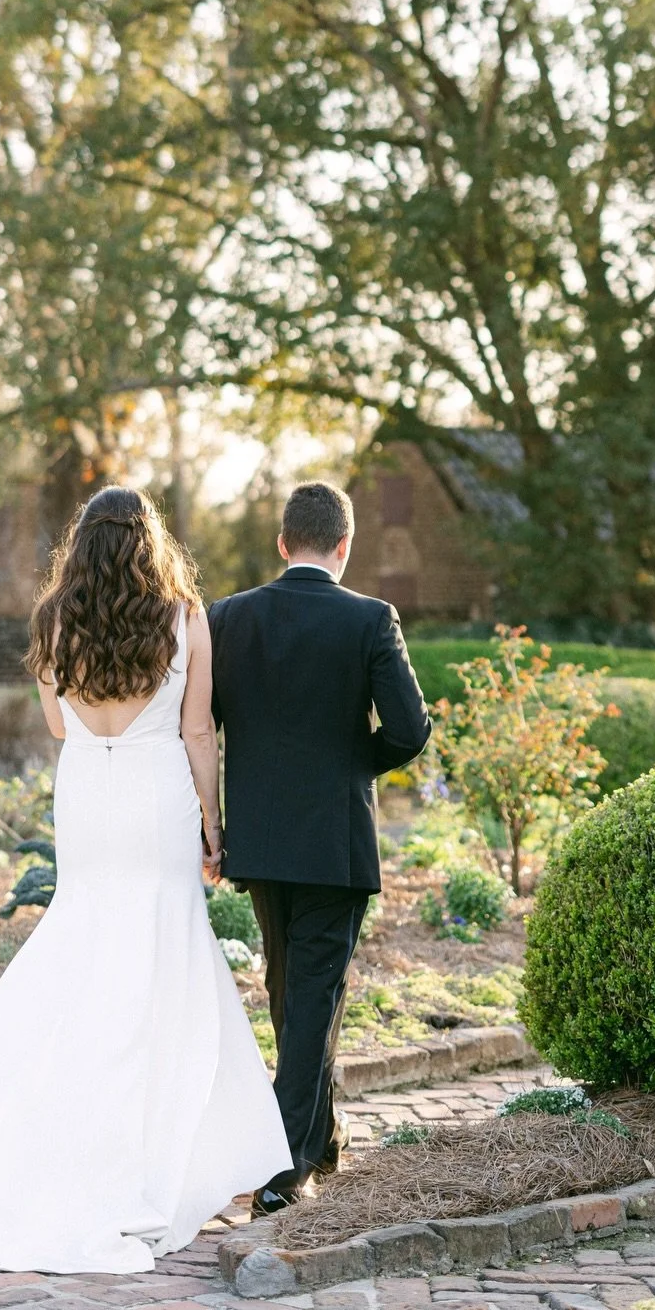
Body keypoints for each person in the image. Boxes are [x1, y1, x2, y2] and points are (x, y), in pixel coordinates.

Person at [0, 487, 289, 1273]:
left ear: (80, 545)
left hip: (88, 793)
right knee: (161, 955)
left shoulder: (52, 619)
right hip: (155, 795)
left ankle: (61, 1123)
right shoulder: (185, 617)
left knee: (82, 941)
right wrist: (214, 824)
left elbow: (56, 725)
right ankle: (153, 1152)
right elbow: (195, 729)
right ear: (150, 543)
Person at [209, 480, 430, 1214]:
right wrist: (349, 766)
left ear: (282, 542)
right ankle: (288, 1164)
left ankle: (321, 1139)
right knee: (308, 997)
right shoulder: (371, 618)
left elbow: (200, 726)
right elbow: (409, 729)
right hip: (334, 839)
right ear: (345, 546)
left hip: (264, 839)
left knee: (291, 993)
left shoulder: (230, 619)